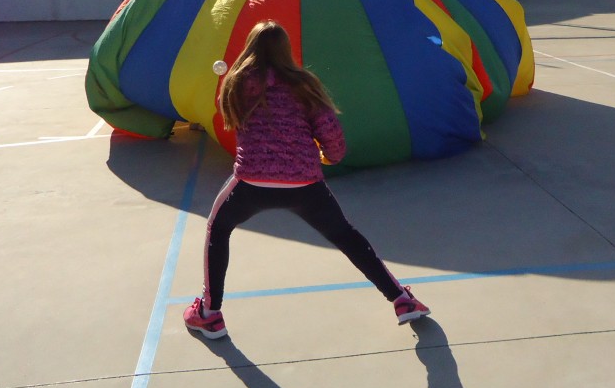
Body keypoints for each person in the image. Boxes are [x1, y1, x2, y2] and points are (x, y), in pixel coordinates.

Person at [183, 21, 430, 340]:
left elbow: (227, 116)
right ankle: (401, 300)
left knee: (218, 229)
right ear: (285, 50)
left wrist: (232, 85)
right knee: (346, 236)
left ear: (250, 47)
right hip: (304, 185)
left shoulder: (236, 82)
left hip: (251, 182)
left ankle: (209, 314)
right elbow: (331, 136)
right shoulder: (304, 84)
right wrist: (330, 155)